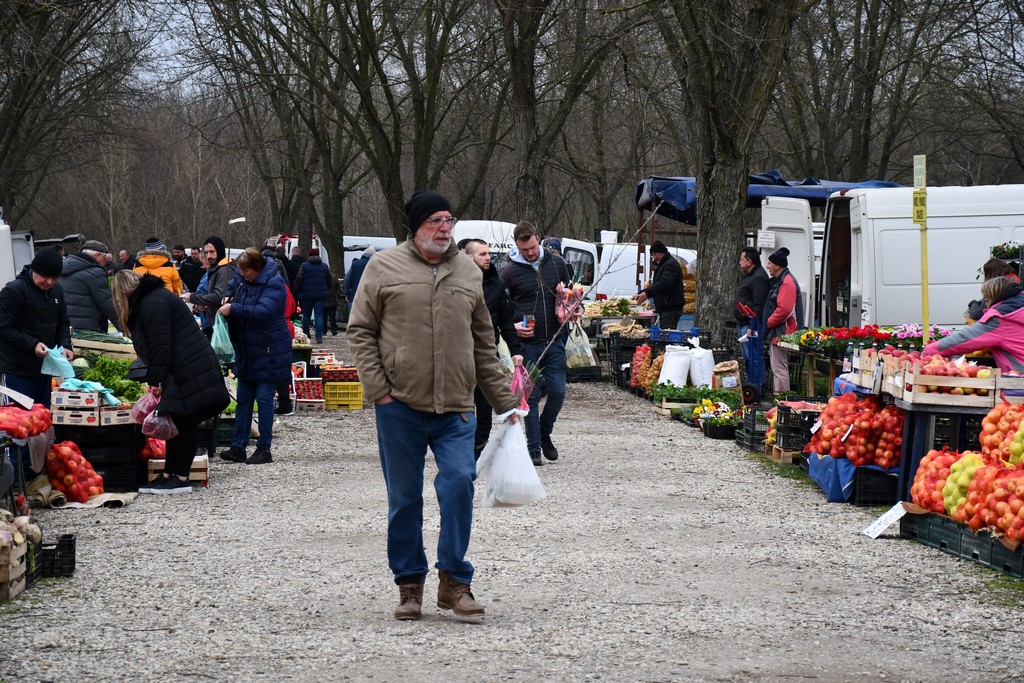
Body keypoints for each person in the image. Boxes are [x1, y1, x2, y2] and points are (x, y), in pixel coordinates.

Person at [348, 189, 519, 621]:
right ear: (416, 226)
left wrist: (506, 402)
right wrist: (379, 392)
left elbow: (483, 342)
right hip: (399, 407)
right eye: (436, 221)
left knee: (459, 484)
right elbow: (360, 332)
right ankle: (409, 585)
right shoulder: (383, 266)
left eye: (449, 220)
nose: (445, 228)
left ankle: (454, 583)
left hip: (458, 406)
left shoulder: (467, 270)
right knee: (404, 498)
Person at [111, 271, 230, 493]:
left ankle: (181, 478)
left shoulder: (150, 303)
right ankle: (169, 475)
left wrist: (155, 379)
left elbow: (160, 345)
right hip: (185, 366)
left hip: (188, 367)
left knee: (184, 422)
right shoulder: (152, 299)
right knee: (176, 421)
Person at [501, 221, 572, 466]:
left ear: (538, 239)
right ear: (517, 246)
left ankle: (544, 432)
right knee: (530, 397)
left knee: (558, 392)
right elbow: (502, 308)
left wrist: (573, 310)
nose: (530, 253)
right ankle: (533, 448)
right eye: (524, 250)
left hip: (555, 340)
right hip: (528, 344)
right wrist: (513, 326)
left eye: (532, 247)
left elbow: (570, 294)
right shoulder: (509, 272)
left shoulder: (558, 264)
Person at [216, 249, 292, 464]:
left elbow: (263, 311)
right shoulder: (243, 280)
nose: (242, 273)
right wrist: (227, 296)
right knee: (244, 399)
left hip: (269, 349)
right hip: (247, 349)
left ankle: (264, 448)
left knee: (265, 399)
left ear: (257, 269)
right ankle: (238, 446)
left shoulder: (274, 284)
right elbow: (232, 291)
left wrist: (235, 308)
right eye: (240, 269)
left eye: (246, 270)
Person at [464, 239, 523, 458]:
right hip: (459, 355)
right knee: (464, 405)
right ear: (469, 257)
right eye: (482, 254)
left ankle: (479, 447)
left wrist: (516, 350)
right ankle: (462, 446)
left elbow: (506, 323)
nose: (488, 258)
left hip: (487, 353)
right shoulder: (457, 284)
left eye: (488, 254)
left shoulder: (497, 286)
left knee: (485, 403)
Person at [925, 277, 1024, 373]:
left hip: (1019, 382)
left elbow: (964, 339)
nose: (986, 303)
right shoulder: (1018, 309)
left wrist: (929, 349)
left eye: (986, 299)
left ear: (991, 297)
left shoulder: (999, 319)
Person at [59, 240, 123, 333]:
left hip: (65, 329)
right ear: (97, 255)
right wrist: (126, 329)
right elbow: (107, 303)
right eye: (104, 258)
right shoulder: (95, 273)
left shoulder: (62, 268)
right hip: (87, 330)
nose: (105, 262)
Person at [764, 247, 803, 395]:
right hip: (781, 330)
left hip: (782, 331)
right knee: (779, 366)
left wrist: (769, 322)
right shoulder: (784, 280)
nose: (768, 266)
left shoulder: (786, 282)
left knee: (779, 368)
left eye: (769, 263)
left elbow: (784, 310)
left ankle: (781, 400)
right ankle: (780, 399)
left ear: (778, 266)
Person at [184, 236, 236, 338]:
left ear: (219, 250)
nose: (209, 256)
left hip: (223, 325)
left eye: (212, 252)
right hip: (214, 322)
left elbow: (219, 296)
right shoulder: (215, 269)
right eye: (206, 253)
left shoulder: (225, 270)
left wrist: (193, 298)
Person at [734, 247, 770, 387]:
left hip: (751, 324)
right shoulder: (750, 275)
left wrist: (752, 325)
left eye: (742, 259)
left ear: (749, 261)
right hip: (744, 322)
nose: (740, 262)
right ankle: (752, 386)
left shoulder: (758, 277)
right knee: (749, 358)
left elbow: (759, 303)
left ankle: (757, 387)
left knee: (754, 357)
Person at [632, 241, 684, 330]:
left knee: (667, 333)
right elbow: (656, 285)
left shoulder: (670, 265)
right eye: (652, 255)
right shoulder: (661, 265)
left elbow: (664, 283)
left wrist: (647, 294)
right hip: (664, 307)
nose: (654, 257)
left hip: (670, 307)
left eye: (655, 254)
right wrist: (642, 292)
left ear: (661, 252)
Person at [294, 248, 331, 343]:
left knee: (306, 314)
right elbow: (329, 280)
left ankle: (306, 334)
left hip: (306, 294)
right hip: (320, 294)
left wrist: (298, 290)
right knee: (319, 315)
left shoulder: (305, 266)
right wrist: (326, 290)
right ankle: (319, 336)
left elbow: (299, 279)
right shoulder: (324, 266)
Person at [324, 264, 340, 336]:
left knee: (323, 317)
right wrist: (337, 294)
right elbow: (338, 288)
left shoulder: (322, 277)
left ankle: (324, 330)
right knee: (332, 317)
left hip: (323, 299)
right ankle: (334, 329)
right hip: (332, 299)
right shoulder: (334, 277)